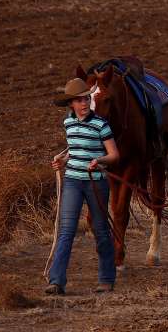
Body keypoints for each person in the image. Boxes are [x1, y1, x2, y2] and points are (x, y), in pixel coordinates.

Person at [46, 78, 119, 295]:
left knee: (100, 231)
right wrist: (63, 161)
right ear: (71, 104)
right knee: (66, 231)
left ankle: (106, 279)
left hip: (96, 183)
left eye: (86, 98)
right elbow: (75, 150)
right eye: (79, 100)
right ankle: (56, 281)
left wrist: (101, 161)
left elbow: (115, 155)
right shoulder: (68, 123)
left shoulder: (101, 125)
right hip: (72, 182)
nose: (84, 103)